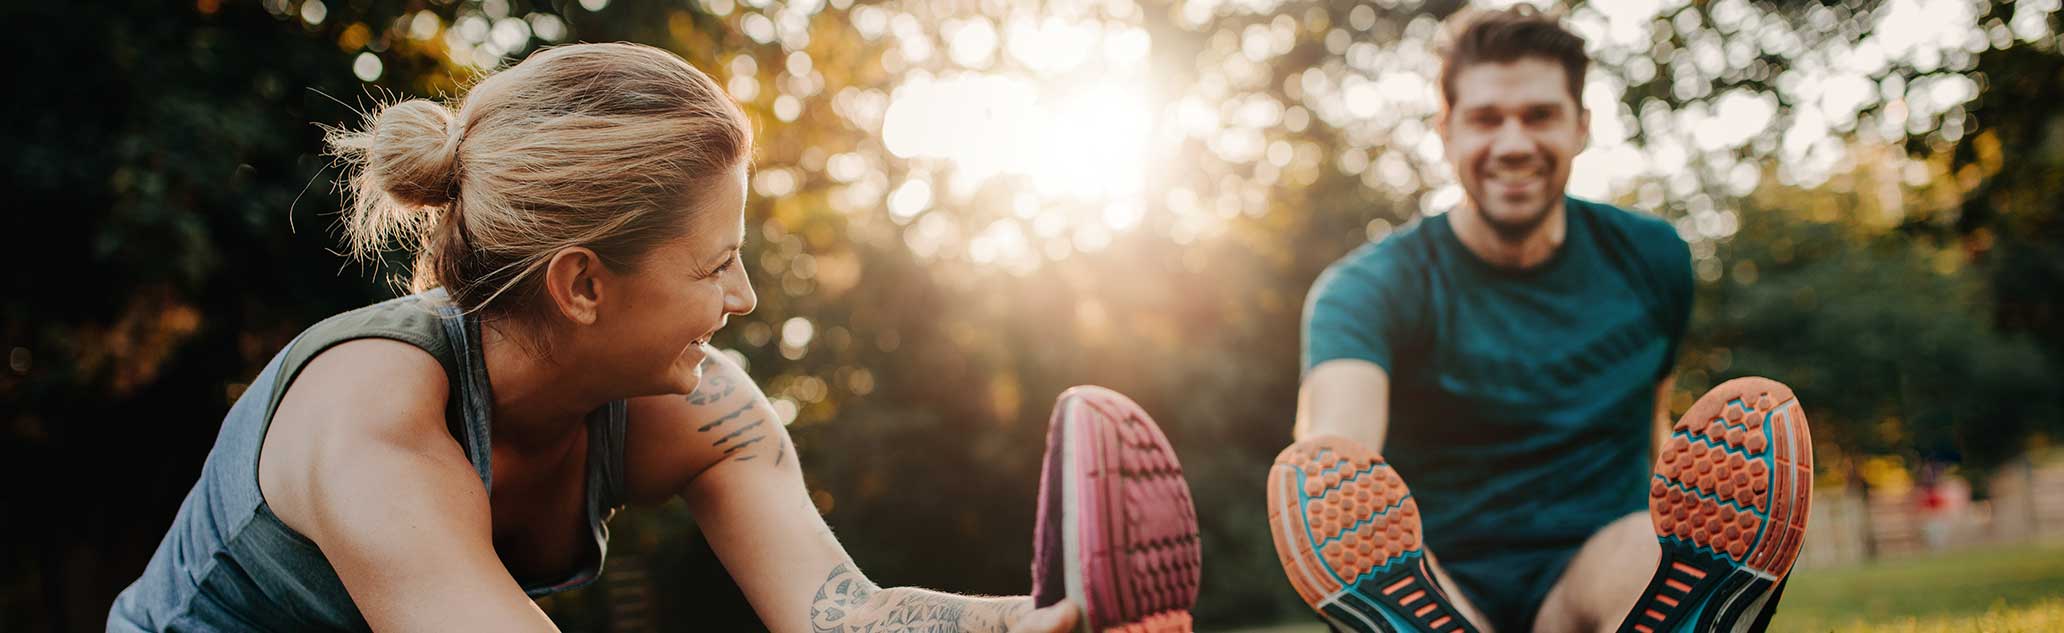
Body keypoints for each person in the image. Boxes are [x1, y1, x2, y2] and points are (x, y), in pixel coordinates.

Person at [106, 42, 1196, 633]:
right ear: (582, 284)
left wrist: (1044, 625)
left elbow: (842, 615)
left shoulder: (699, 410)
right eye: (716, 265)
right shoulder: (372, 418)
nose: (749, 299)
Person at [1264, 8, 1812, 633]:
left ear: (1581, 126)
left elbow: (1652, 423)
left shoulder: (1653, 258)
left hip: (1599, 564)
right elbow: (1336, 464)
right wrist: (1336, 510)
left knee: (1648, 548)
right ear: (1445, 131)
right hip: (1440, 578)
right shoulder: (1367, 289)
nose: (1514, 143)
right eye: (1486, 119)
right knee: (1384, 556)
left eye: (1540, 116)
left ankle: (1692, 606)